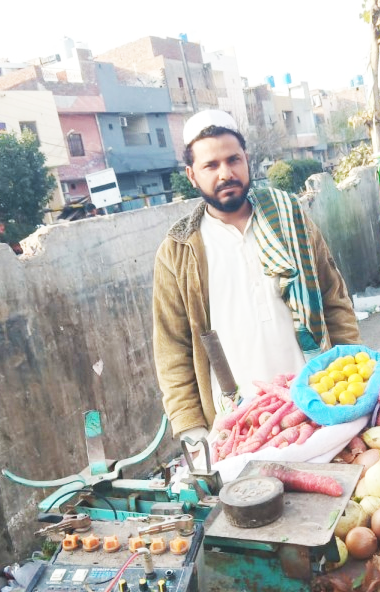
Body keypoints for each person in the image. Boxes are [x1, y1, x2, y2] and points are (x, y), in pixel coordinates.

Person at [152, 109, 362, 441]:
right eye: (211, 165)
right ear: (192, 175)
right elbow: (172, 350)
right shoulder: (178, 251)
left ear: (246, 160)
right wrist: (192, 432)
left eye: (233, 159)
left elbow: (334, 299)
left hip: (317, 401)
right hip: (238, 423)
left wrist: (355, 377)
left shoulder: (291, 218)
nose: (225, 173)